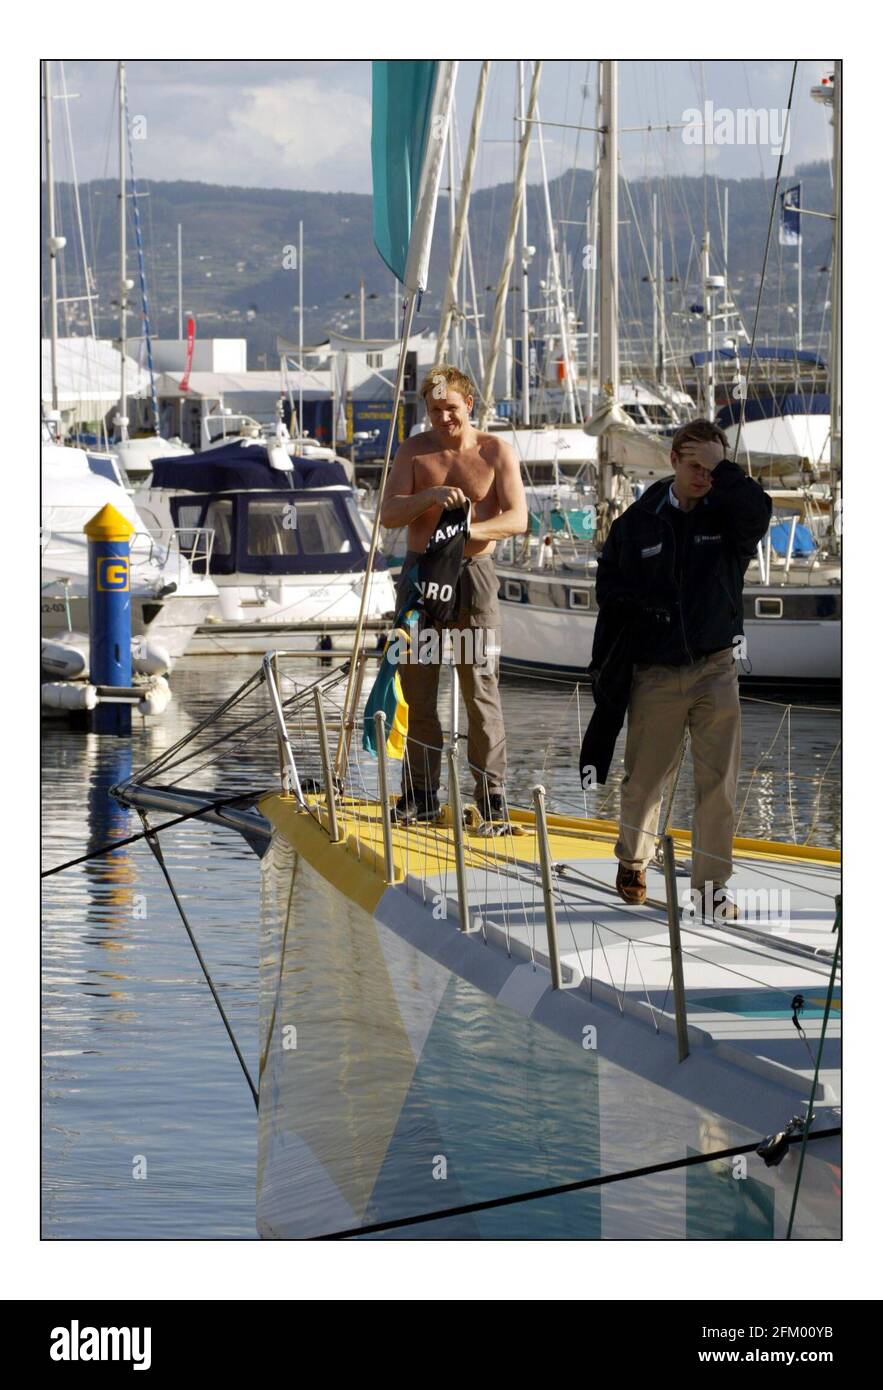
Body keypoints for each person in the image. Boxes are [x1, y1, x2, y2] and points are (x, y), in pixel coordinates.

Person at [592, 418, 772, 919]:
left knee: (718, 784)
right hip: (656, 671)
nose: (703, 476)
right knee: (646, 779)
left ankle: (710, 889)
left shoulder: (729, 514)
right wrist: (643, 608)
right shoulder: (639, 521)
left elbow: (760, 516)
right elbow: (608, 588)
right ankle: (632, 861)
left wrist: (726, 473)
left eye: (713, 467)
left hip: (716, 667)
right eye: (695, 465)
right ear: (673, 461)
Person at [379, 364, 527, 822]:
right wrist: (431, 496)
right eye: (434, 409)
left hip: (474, 579)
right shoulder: (414, 452)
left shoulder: (495, 451)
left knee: (480, 688)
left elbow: (519, 519)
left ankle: (491, 796)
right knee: (418, 687)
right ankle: (421, 793)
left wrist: (466, 531)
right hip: (421, 581)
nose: (443, 418)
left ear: (470, 405)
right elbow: (388, 513)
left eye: (450, 408)